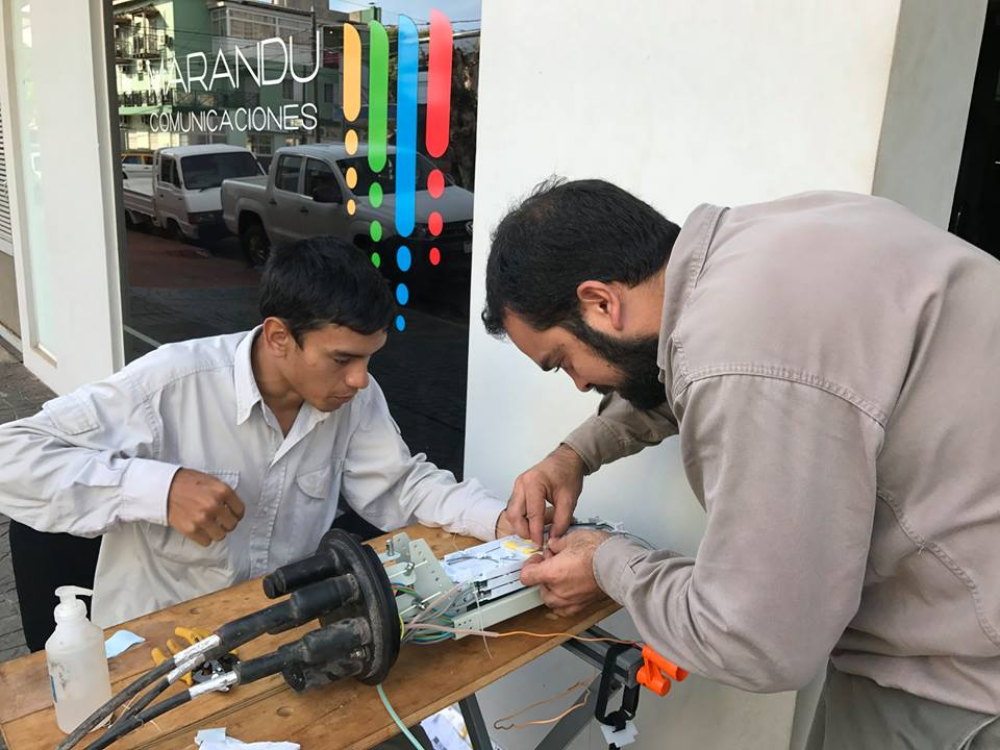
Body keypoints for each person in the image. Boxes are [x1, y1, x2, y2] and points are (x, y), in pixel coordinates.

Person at [482, 179, 1000, 748]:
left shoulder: (742, 355)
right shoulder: (765, 244)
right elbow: (683, 367)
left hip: (962, 682)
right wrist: (574, 454)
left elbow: (761, 641)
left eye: (562, 361)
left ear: (602, 303)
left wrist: (607, 563)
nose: (580, 383)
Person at [0, 236, 512, 628]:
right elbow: (11, 454)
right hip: (154, 644)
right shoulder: (171, 384)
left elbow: (400, 485)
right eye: (342, 359)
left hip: (278, 630)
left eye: (369, 358)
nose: (360, 379)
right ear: (279, 337)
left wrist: (502, 520)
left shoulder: (354, 398)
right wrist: (159, 488)